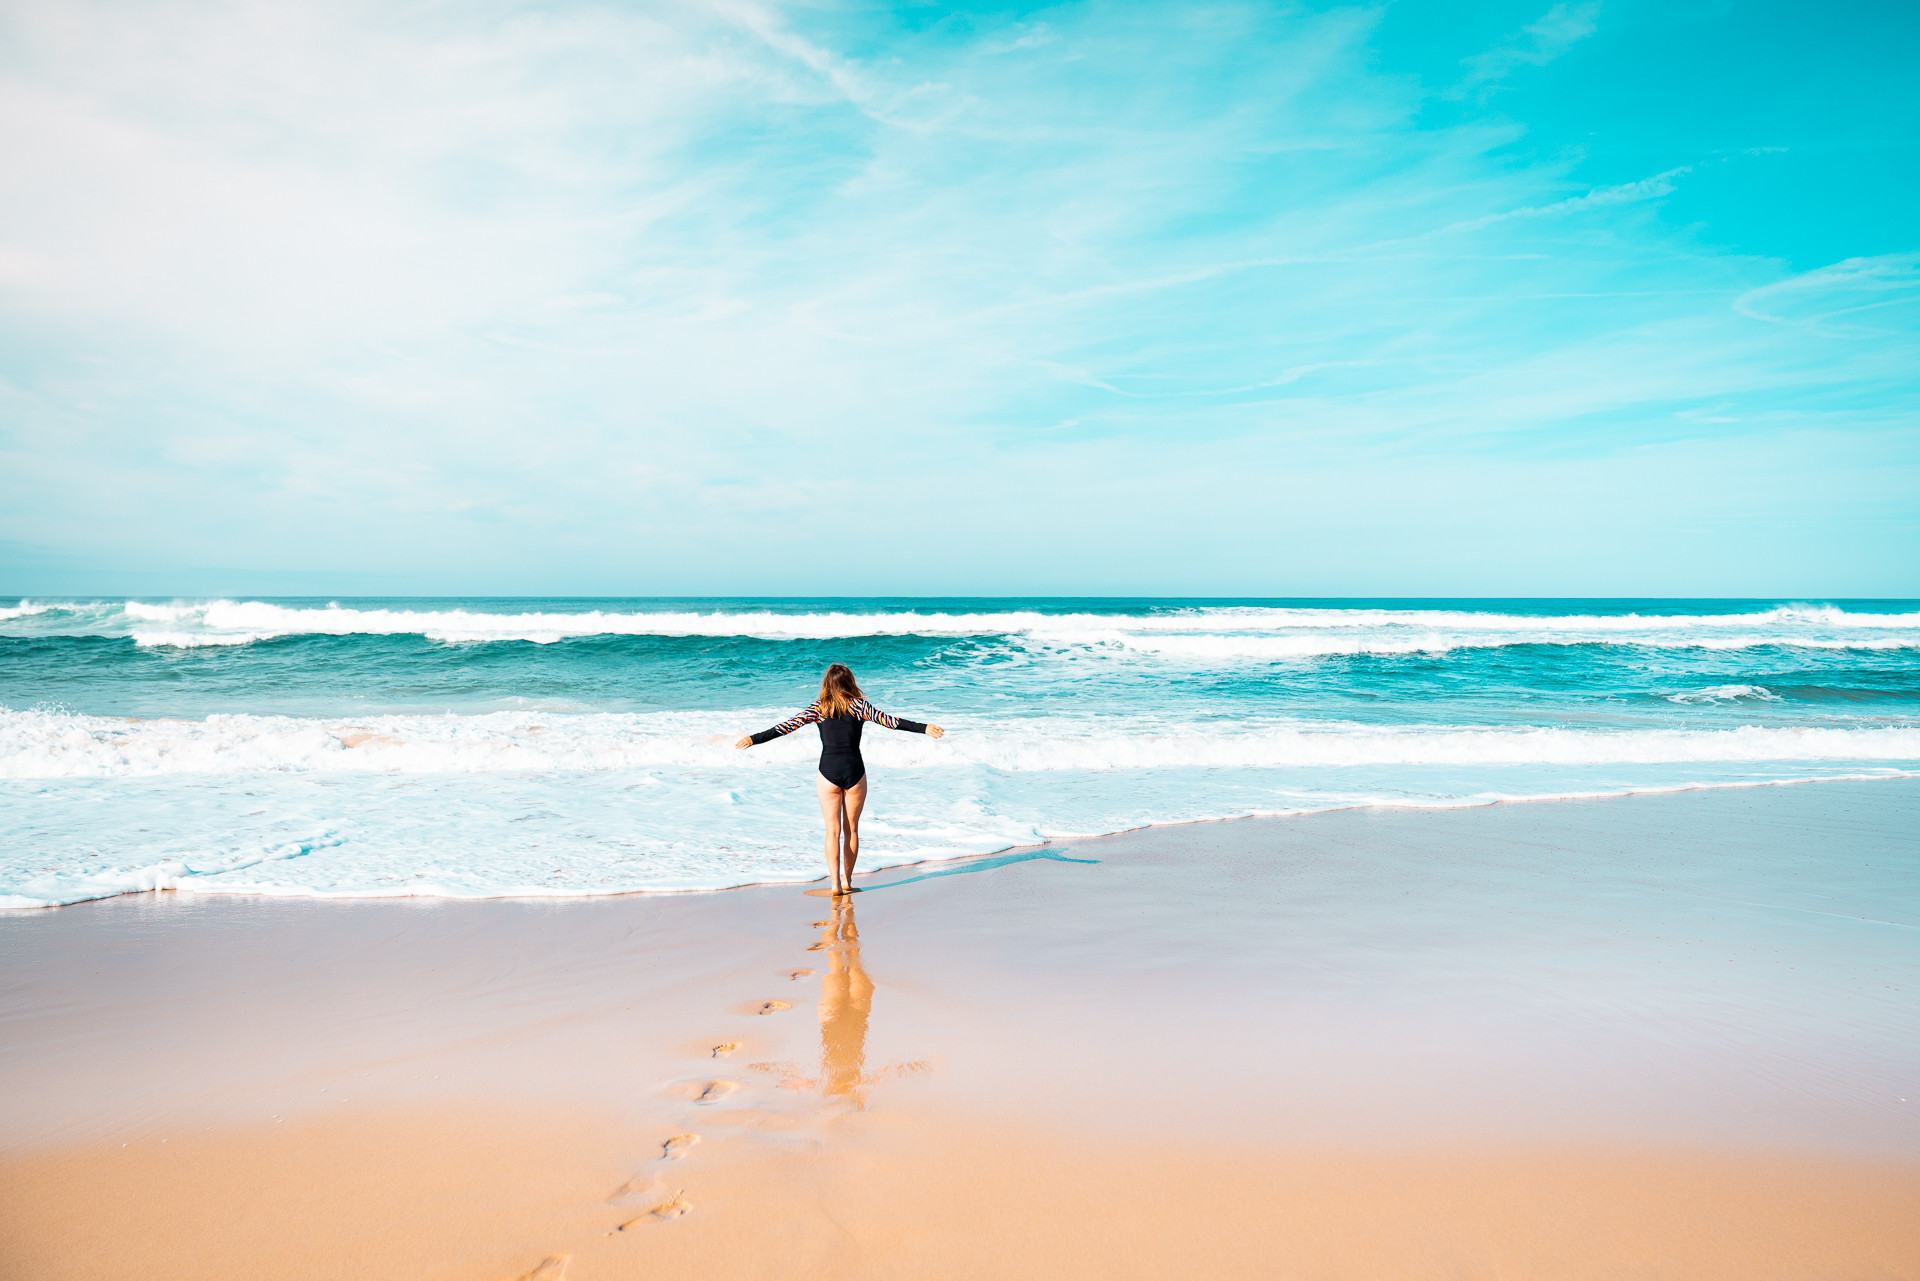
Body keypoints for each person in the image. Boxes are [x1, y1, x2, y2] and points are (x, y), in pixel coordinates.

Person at [735, 664, 943, 895]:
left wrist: (753, 739)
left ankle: (834, 885)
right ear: (850, 682)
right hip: (855, 770)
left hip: (828, 772)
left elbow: (785, 727)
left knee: (832, 831)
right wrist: (924, 728)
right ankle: (847, 882)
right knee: (851, 830)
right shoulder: (859, 706)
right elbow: (892, 722)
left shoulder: (819, 708)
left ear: (827, 683)